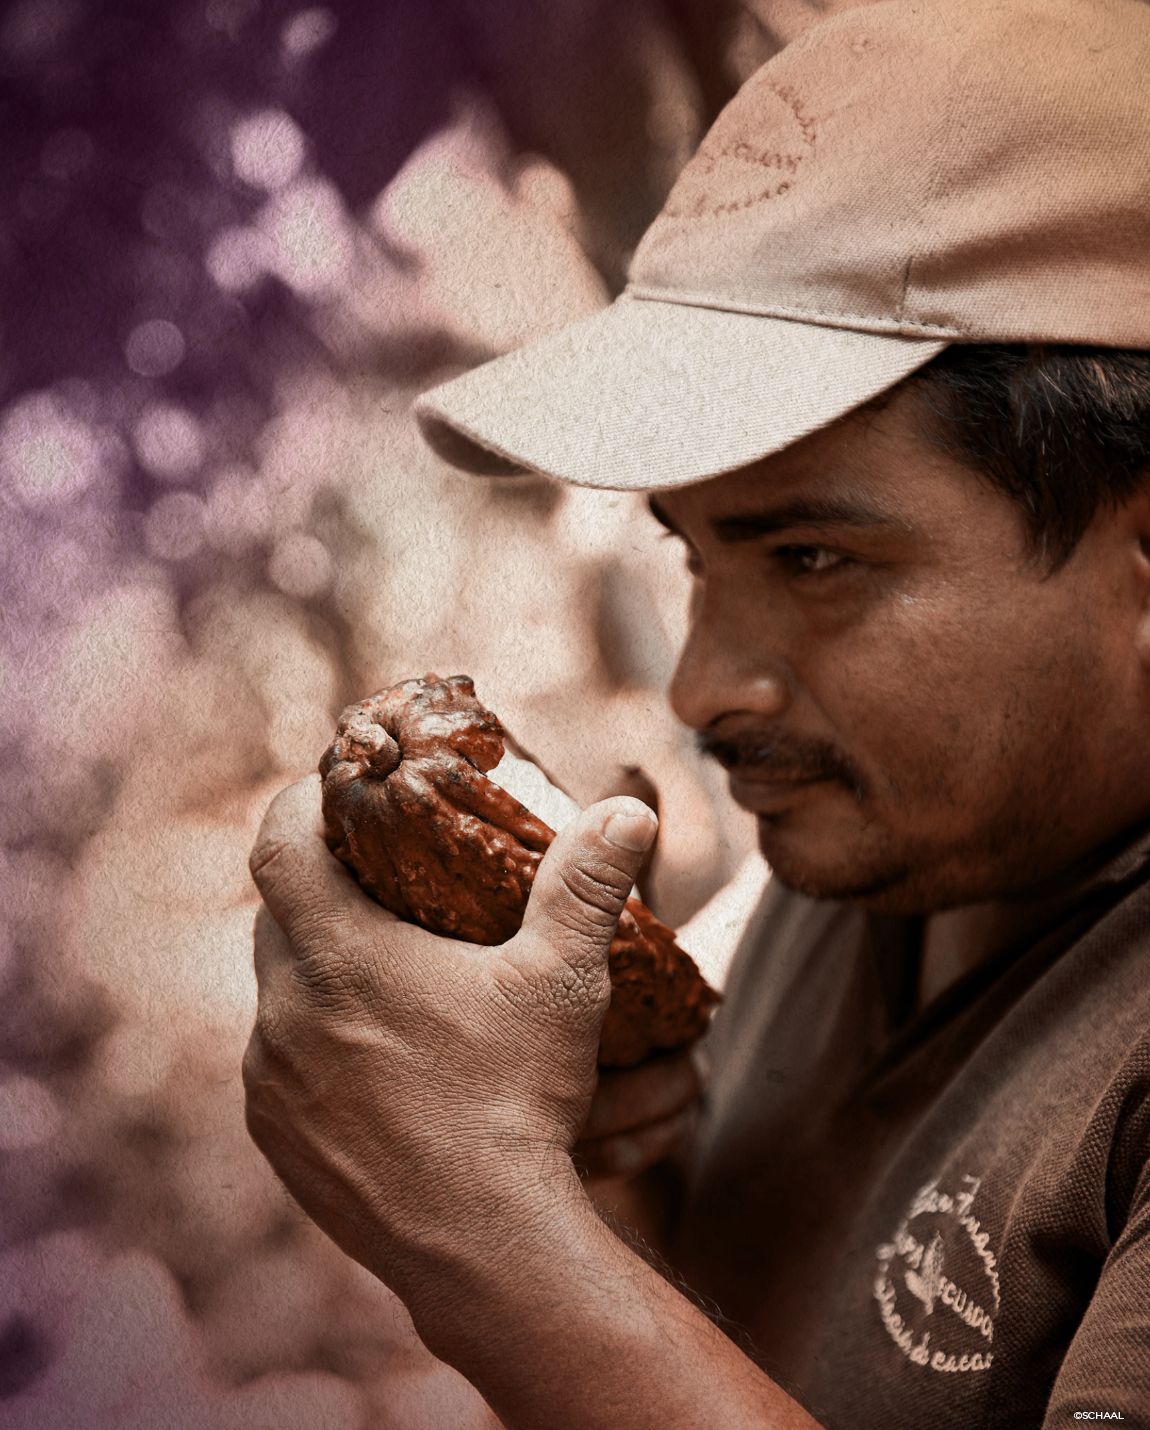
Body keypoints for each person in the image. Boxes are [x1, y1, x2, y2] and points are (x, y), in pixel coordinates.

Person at [241, 0, 1150, 1425]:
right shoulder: (877, 860)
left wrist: (489, 1242)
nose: (699, 689)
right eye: (692, 550)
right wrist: (598, 1192)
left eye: (812, 560)